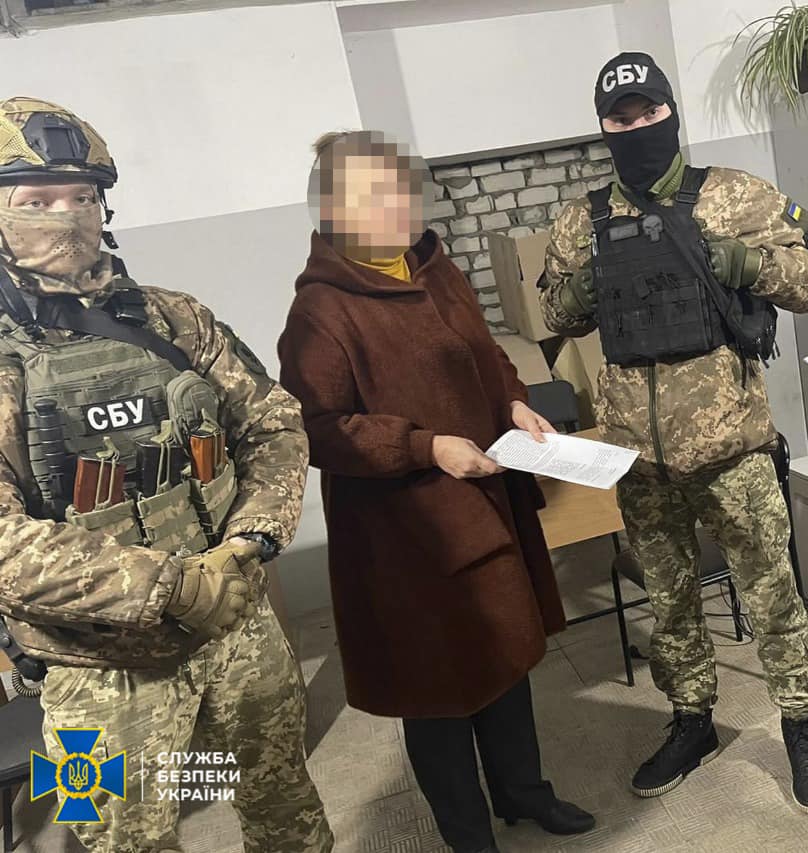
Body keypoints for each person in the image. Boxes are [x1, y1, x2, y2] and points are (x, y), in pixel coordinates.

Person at [0, 98, 333, 851]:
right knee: (116, 841)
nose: (67, 217)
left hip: (236, 622)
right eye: (37, 201)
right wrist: (171, 587)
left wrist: (248, 542)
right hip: (89, 670)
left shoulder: (177, 318)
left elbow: (274, 424)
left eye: (82, 197)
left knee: (288, 807)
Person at [541, 52, 808, 814]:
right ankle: (692, 721)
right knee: (671, 604)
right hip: (639, 462)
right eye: (620, 118)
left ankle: (801, 725)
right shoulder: (583, 220)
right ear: (604, 128)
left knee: (772, 593)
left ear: (670, 114)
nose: (636, 126)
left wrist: (747, 262)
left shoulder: (733, 194)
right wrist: (582, 288)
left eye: (647, 112)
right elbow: (553, 312)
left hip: (732, 451)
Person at [276, 131, 593, 853]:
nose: (402, 207)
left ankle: (524, 794)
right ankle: (468, 835)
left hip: (484, 500)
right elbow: (318, 429)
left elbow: (485, 354)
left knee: (506, 659)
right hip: (405, 535)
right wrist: (425, 446)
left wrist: (513, 400)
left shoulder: (435, 268)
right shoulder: (321, 311)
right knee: (440, 691)